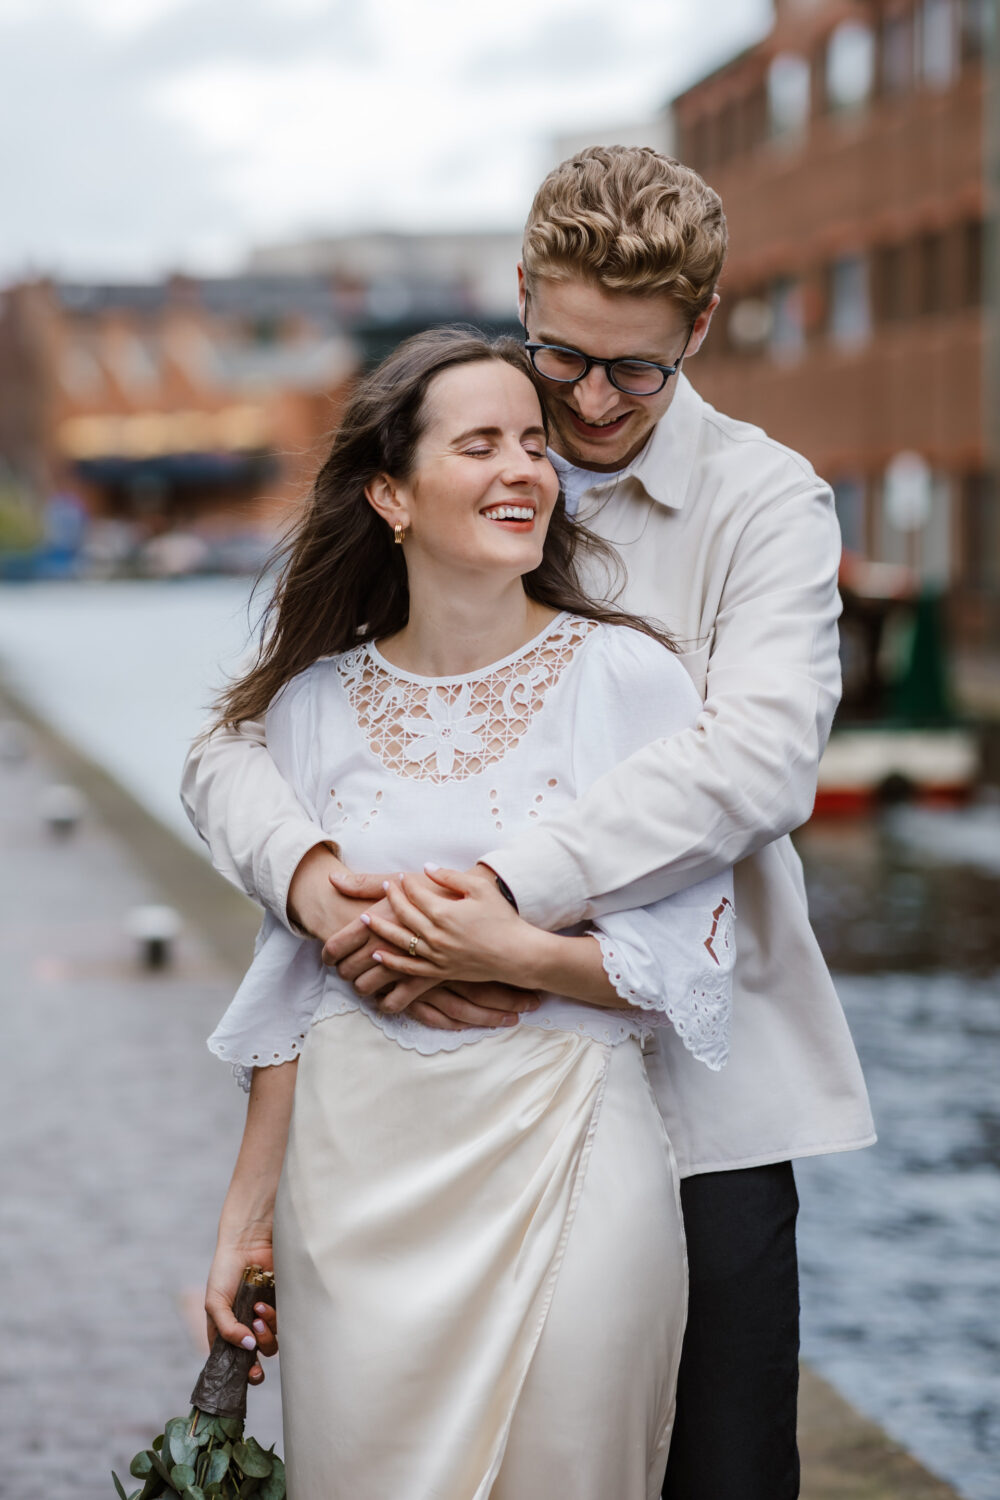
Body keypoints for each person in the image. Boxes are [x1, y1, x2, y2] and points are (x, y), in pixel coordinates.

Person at [183, 147, 875, 1500]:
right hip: (426, 1114)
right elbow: (243, 739)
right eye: (564, 360)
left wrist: (494, 902)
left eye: (638, 370)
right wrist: (320, 886)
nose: (592, 404)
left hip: (707, 1084)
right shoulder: (448, 458)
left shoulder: (765, 502)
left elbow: (761, 760)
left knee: (724, 1469)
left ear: (701, 330)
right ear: (520, 301)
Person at [203, 327, 736, 1499]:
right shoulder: (309, 707)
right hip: (354, 1179)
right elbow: (289, 988)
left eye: (536, 447)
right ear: (389, 494)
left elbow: (694, 967)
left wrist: (514, 950)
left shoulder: (629, 681)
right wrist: (245, 1217)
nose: (524, 470)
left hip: (570, 1146)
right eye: (482, 443)